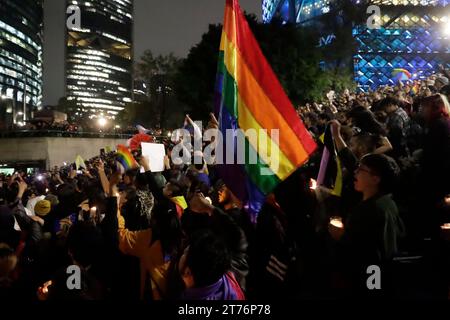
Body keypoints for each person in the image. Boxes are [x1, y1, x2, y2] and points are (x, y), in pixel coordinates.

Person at [330, 154, 404, 295]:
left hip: (370, 274)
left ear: (375, 178)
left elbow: (364, 251)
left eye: (361, 169)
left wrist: (340, 236)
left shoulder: (369, 210)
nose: (355, 172)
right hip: (382, 273)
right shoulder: (388, 202)